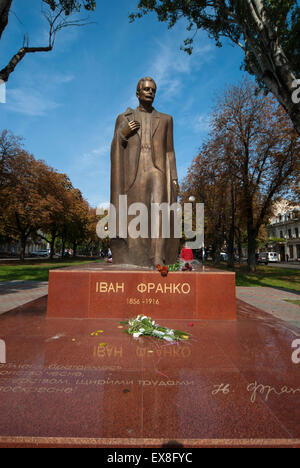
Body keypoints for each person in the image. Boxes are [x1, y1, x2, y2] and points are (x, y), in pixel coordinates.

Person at [110, 77, 179, 267]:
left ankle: (158, 257)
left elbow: (170, 150)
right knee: (136, 217)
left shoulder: (166, 119)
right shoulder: (123, 118)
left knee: (159, 210)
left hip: (157, 170)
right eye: (146, 89)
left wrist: (173, 178)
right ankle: (135, 257)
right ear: (137, 93)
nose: (150, 92)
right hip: (134, 172)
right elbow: (115, 147)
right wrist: (122, 134)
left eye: (153, 90)